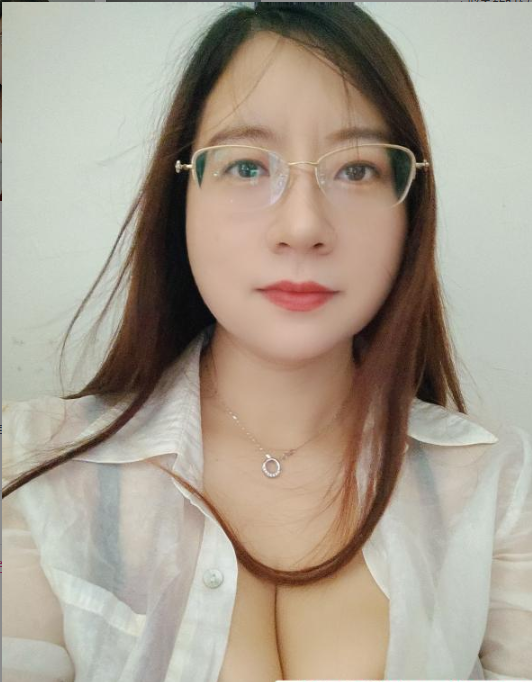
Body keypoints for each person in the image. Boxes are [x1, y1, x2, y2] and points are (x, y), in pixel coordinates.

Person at [2, 4, 531, 682]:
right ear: (181, 194)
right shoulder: (37, 467)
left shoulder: (498, 487)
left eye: (358, 169)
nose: (303, 226)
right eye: (247, 167)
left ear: (412, 209)